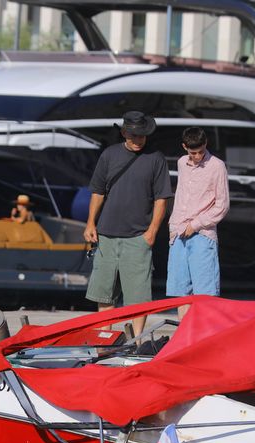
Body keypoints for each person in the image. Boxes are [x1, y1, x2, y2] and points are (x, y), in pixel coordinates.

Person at [83, 110, 172, 336]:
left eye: (142, 136)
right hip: (106, 234)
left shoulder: (156, 158)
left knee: (138, 296)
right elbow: (97, 192)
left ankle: (137, 341)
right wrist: (90, 223)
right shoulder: (109, 155)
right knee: (104, 293)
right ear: (124, 133)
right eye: (134, 136)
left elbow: (162, 199)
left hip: (138, 236)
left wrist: (152, 232)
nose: (138, 140)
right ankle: (105, 338)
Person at [166, 127, 230, 316]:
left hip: (202, 233)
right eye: (193, 153)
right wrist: (174, 225)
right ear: (184, 147)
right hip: (178, 232)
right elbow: (181, 195)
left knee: (205, 292)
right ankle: (185, 331)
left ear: (206, 144)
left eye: (201, 151)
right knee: (181, 292)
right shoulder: (181, 162)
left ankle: (203, 332)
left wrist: (195, 225)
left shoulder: (217, 166)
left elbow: (222, 205)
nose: (197, 156)